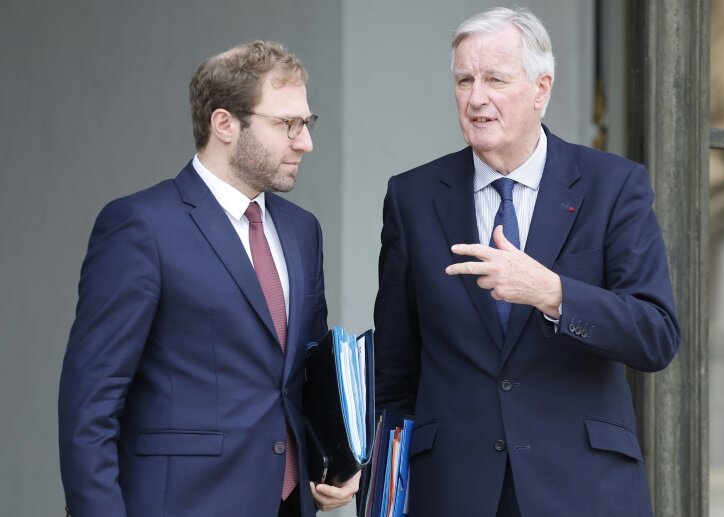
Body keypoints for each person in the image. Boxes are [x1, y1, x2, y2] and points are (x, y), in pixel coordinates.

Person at [374, 7, 681, 517]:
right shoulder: (412, 197)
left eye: (495, 79)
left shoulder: (613, 186)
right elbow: (394, 369)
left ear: (542, 88)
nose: (476, 98)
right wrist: (378, 485)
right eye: (464, 80)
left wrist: (553, 293)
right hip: (452, 488)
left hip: (583, 488)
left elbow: (656, 333)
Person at [58, 40, 359, 517]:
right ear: (224, 124)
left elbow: (308, 363)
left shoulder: (303, 231)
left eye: (307, 123)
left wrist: (338, 460)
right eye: (287, 124)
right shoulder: (141, 226)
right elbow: (89, 406)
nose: (305, 142)